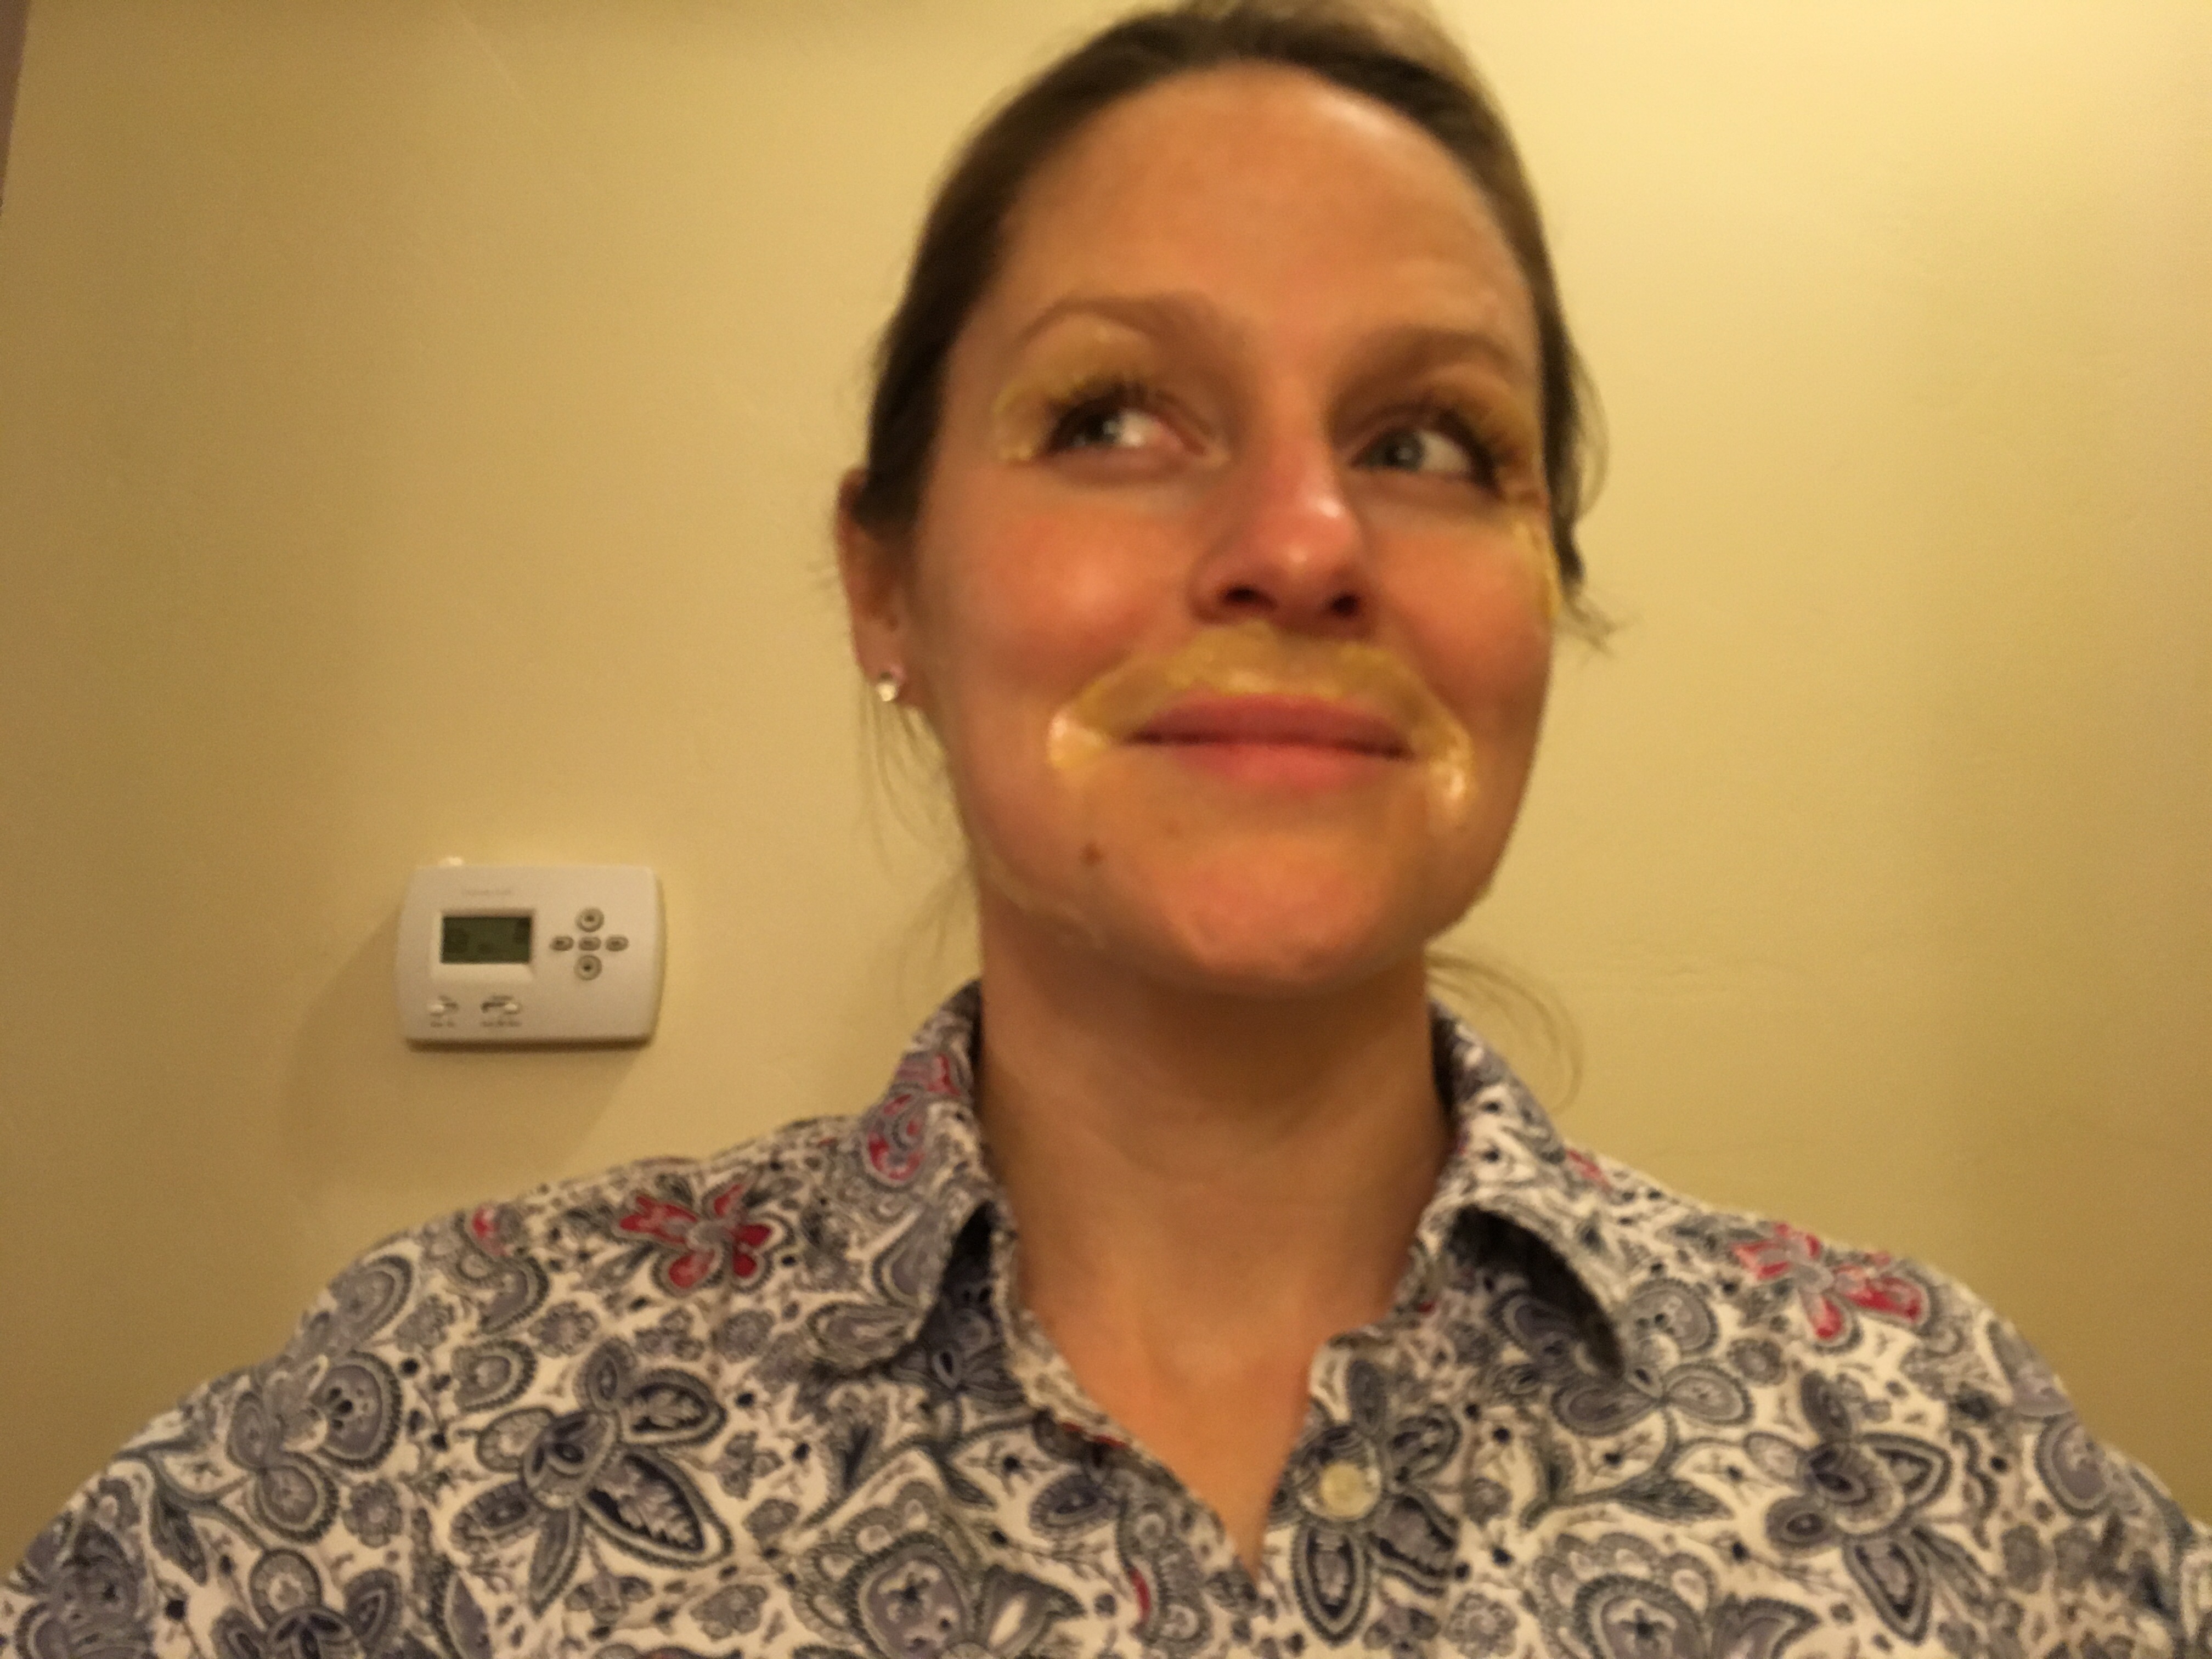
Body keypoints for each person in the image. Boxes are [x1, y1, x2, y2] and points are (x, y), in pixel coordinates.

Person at [5, 2, 2205, 1656]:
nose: (1305, 542)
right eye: (1115, 415)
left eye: (1432, 441)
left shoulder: (1933, 1458)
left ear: (1543, 597)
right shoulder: (442, 1437)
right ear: (888, 583)